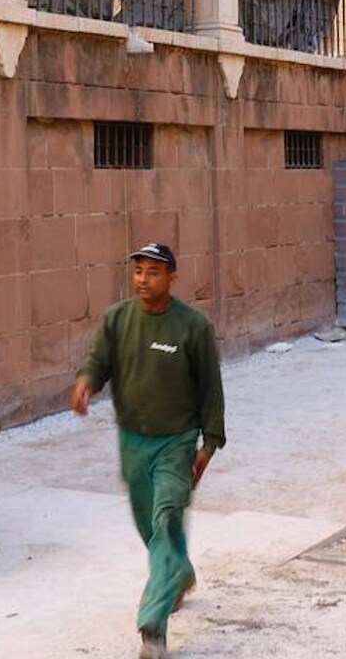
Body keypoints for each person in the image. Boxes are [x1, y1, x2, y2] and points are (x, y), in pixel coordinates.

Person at [71, 241, 226, 659]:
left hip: (176, 443)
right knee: (152, 529)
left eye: (153, 272)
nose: (143, 278)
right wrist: (86, 382)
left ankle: (153, 626)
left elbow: (211, 388)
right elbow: (98, 362)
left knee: (166, 517)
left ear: (172, 278)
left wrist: (209, 444)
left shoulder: (192, 326)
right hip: (132, 443)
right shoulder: (117, 320)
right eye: (138, 270)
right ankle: (179, 572)